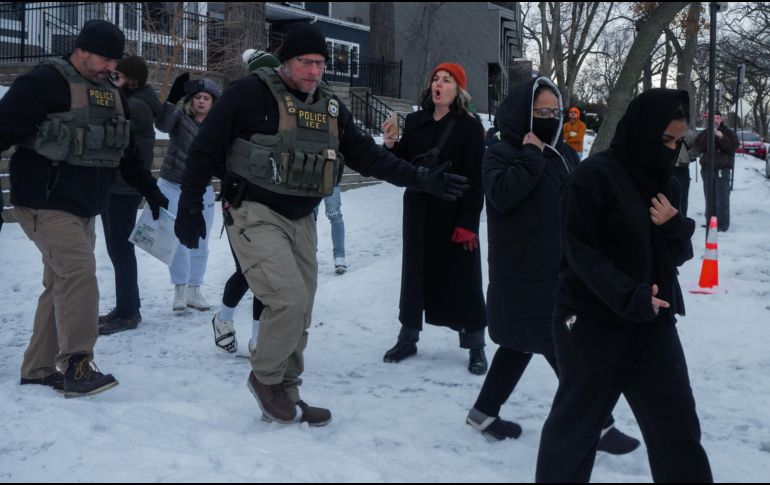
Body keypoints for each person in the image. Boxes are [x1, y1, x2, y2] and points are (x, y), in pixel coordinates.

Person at [173, 22, 468, 426]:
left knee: (303, 307)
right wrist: (190, 206)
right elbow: (204, 151)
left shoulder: (328, 106)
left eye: (321, 63)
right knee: (287, 298)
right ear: (286, 61)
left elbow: (368, 155)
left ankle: (288, 392)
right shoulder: (248, 94)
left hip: (301, 217)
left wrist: (419, 178)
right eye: (306, 62)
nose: (315, 71)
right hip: (253, 211)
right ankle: (265, 379)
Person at [535, 89, 712, 482]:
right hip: (591, 325)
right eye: (665, 139)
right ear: (642, 130)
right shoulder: (592, 178)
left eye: (678, 141)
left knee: (678, 430)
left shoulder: (668, 183)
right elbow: (581, 256)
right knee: (574, 435)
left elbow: (678, 255)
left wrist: (674, 225)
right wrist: (629, 294)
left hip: (653, 323)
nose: (671, 149)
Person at [466, 77, 640, 455]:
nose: (547, 118)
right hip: (522, 270)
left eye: (553, 112)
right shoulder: (501, 151)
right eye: (539, 112)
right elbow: (501, 196)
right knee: (561, 347)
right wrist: (530, 155)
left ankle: (483, 412)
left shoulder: (563, 152)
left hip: (558, 267)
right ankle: (599, 424)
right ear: (522, 113)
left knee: (520, 342)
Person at [0, 20, 168, 397]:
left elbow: (125, 149)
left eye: (116, 61)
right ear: (83, 50)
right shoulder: (43, 83)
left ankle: (38, 369)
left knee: (60, 281)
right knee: (78, 272)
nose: (113, 68)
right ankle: (77, 363)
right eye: (107, 59)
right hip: (43, 202)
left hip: (85, 206)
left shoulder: (111, 92)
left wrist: (150, 190)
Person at [381, 62, 488, 375]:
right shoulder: (415, 121)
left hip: (455, 214)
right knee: (414, 275)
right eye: (435, 79)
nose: (438, 85)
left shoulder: (469, 126)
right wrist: (390, 145)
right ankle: (408, 337)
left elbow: (476, 179)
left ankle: (475, 344)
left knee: (464, 278)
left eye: (447, 80)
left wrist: (469, 223)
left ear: (458, 90)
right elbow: (402, 164)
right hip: (418, 212)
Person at [211, 49, 279, 354]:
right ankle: (224, 318)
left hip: (275, 205)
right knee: (250, 271)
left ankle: (256, 337)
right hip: (239, 202)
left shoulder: (283, 108)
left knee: (264, 272)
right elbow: (211, 151)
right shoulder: (236, 104)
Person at [98, 55, 162, 335]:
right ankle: (127, 305)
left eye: (119, 76)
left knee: (121, 250)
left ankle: (128, 312)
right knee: (118, 249)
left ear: (132, 79)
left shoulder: (134, 105)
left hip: (123, 186)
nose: (114, 79)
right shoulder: (136, 100)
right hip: (120, 184)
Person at [155, 72, 222, 312]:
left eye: (207, 98)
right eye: (198, 97)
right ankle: (180, 290)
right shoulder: (179, 119)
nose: (201, 101)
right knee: (178, 239)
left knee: (201, 241)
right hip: (173, 185)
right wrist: (172, 99)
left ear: (213, 102)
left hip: (203, 189)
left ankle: (195, 289)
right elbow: (161, 124)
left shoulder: (218, 126)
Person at [695, 110, 738, 232]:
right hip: (707, 169)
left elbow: (732, 148)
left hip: (722, 170)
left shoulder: (728, 133)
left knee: (722, 197)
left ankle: (722, 224)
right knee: (709, 196)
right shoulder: (705, 132)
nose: (716, 120)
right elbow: (700, 146)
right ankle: (710, 222)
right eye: (713, 118)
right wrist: (710, 135)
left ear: (721, 119)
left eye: (718, 117)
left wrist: (721, 137)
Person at [672, 128, 699, 219]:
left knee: (682, 197)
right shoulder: (666, 129)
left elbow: (697, 148)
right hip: (670, 167)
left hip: (682, 168)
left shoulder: (689, 134)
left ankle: (681, 218)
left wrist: (690, 155)